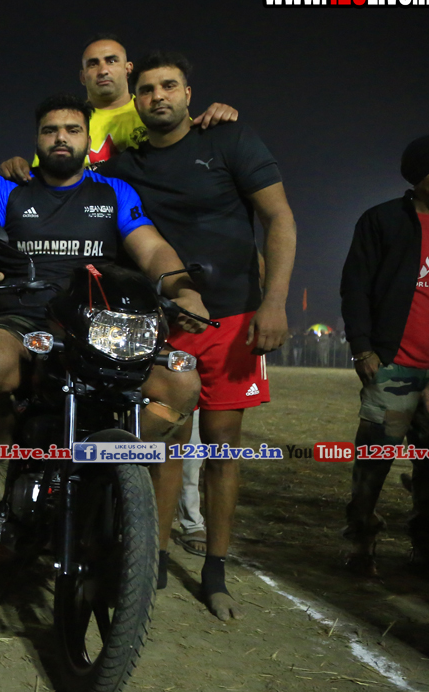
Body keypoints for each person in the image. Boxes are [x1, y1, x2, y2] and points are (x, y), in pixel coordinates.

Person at [0, 94, 207, 535]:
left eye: (72, 130)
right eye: (50, 130)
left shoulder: (114, 192)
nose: (61, 138)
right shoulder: (4, 188)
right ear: (37, 139)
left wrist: (185, 290)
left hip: (100, 325)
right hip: (26, 319)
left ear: (88, 139)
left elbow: (152, 250)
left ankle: (110, 467)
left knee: (181, 384)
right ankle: (5, 464)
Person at [99, 51, 297, 620]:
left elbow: (279, 218)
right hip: (167, 325)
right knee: (164, 445)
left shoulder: (231, 140)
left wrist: (275, 302)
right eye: (146, 89)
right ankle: (157, 559)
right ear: (135, 100)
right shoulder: (124, 168)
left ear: (189, 93)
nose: (157, 96)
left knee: (221, 451)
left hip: (235, 322)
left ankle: (215, 570)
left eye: (169, 86)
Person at [362, 135, 429, 580]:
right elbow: (356, 287)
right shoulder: (383, 220)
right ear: (418, 173)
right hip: (394, 365)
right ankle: (361, 543)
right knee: (372, 464)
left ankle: (426, 548)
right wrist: (363, 348)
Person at [0, 33, 237, 175]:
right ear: (82, 76)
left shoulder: (156, 113)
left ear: (128, 68)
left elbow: (193, 152)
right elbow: (44, 177)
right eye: (93, 64)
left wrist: (221, 117)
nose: (103, 70)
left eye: (111, 61)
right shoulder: (67, 124)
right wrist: (20, 169)